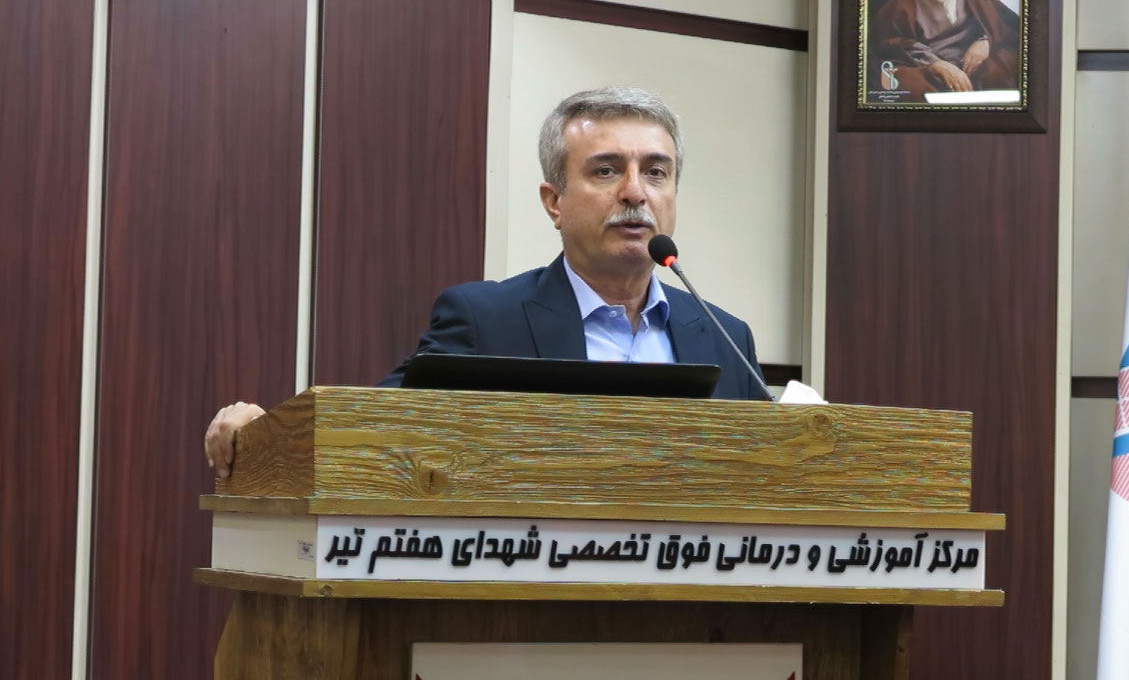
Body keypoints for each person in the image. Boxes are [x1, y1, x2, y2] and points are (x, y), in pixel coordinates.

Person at [204, 87, 769, 478]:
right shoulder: (486, 320)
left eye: (656, 172)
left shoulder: (725, 338)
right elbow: (370, 430)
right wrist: (267, 431)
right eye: (606, 170)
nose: (635, 192)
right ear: (554, 202)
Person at [869, 0, 1020, 95]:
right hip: (926, 73)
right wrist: (935, 65)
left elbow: (1015, 30)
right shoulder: (899, 6)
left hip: (975, 72)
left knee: (1003, 67)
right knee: (905, 83)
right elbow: (888, 44)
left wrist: (986, 41)